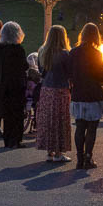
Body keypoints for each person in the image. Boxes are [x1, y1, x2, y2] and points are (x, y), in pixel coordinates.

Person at [69, 22, 103, 169]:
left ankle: (79, 158)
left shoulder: (73, 52)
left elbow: (70, 72)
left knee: (80, 126)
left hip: (78, 93)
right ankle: (88, 157)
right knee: (92, 128)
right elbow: (101, 76)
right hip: (93, 94)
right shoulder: (97, 54)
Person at [36, 25, 73, 162]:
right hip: (61, 90)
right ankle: (59, 152)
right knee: (60, 120)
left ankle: (49, 151)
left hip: (46, 89)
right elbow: (69, 72)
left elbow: (41, 71)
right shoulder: (64, 54)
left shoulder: (42, 52)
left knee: (48, 120)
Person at [0, 21, 29, 149]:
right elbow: (23, 66)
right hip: (17, 85)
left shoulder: (0, 49)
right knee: (17, 113)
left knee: (7, 114)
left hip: (4, 84)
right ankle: (16, 139)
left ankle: (8, 139)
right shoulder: (18, 50)